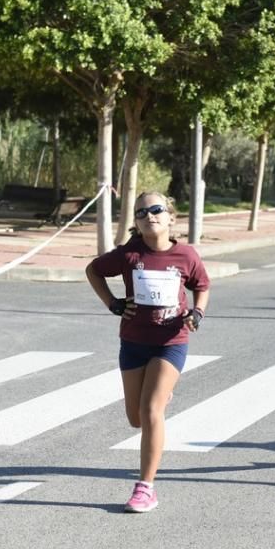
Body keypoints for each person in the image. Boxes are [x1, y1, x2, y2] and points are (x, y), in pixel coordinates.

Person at [86, 191, 210, 512]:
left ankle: (145, 488)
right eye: (141, 213)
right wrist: (113, 304)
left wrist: (196, 313)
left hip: (171, 341)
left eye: (156, 210)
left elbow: (202, 286)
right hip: (133, 341)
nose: (149, 216)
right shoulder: (130, 254)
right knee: (136, 418)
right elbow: (93, 270)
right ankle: (160, 394)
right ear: (136, 223)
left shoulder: (186, 255)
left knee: (152, 409)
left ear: (170, 216)